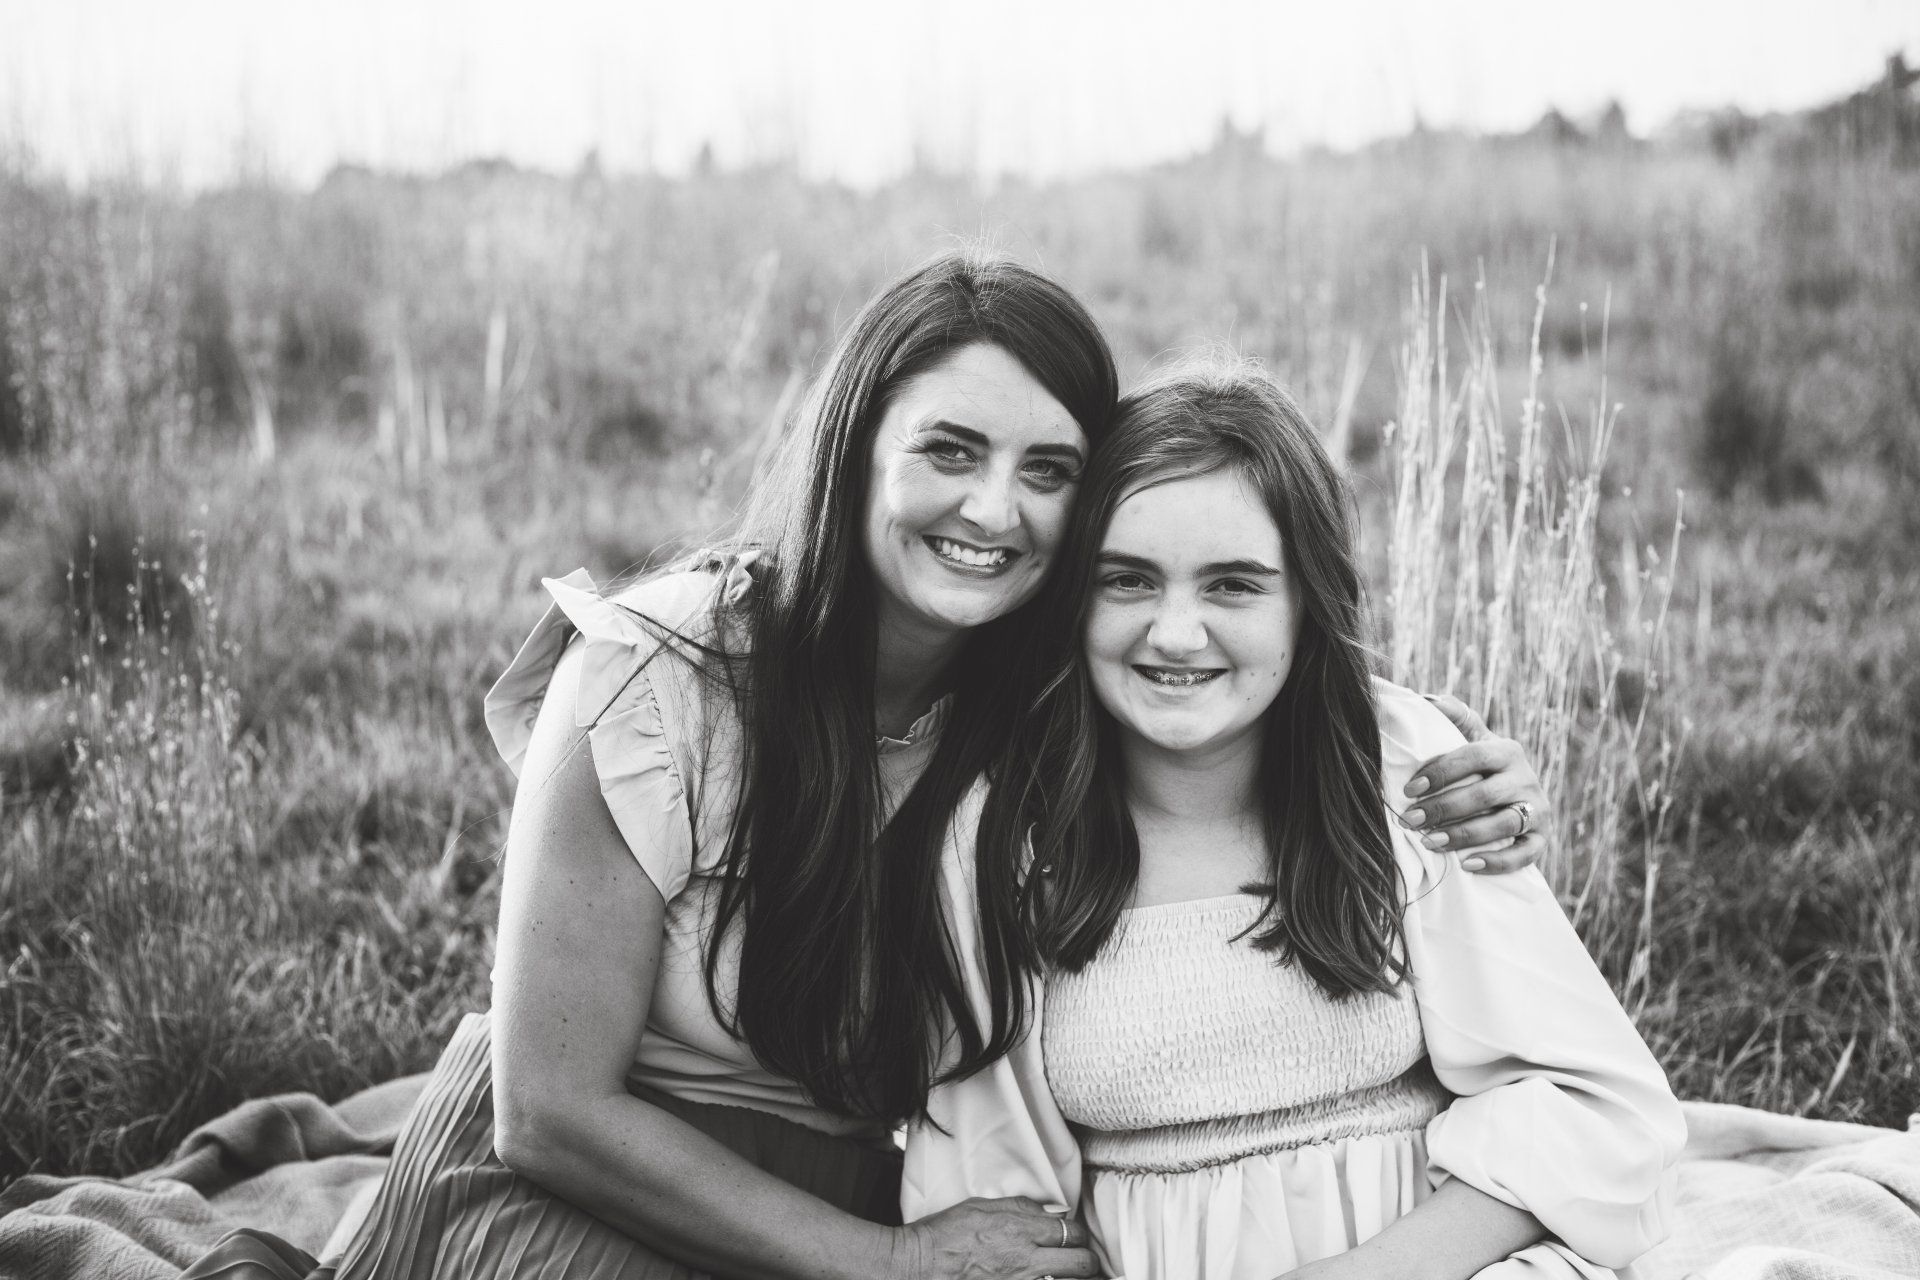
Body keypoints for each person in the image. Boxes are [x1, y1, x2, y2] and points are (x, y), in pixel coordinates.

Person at [185, 253, 1556, 1280]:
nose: (992, 511)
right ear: (857, 450)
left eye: (1049, 471)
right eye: (950, 451)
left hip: (859, 1199)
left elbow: (1264, 675)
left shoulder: (1046, 693)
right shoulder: (656, 679)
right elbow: (552, 1114)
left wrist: (1452, 763)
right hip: (585, 1192)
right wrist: (891, 1268)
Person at [906, 354, 1685, 1280]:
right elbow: (994, 1204)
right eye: (1128, 580)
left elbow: (1599, 1108)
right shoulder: (1004, 833)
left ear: (1305, 604)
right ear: (1073, 599)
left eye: (1233, 585)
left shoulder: (1400, 765)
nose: (1176, 634)